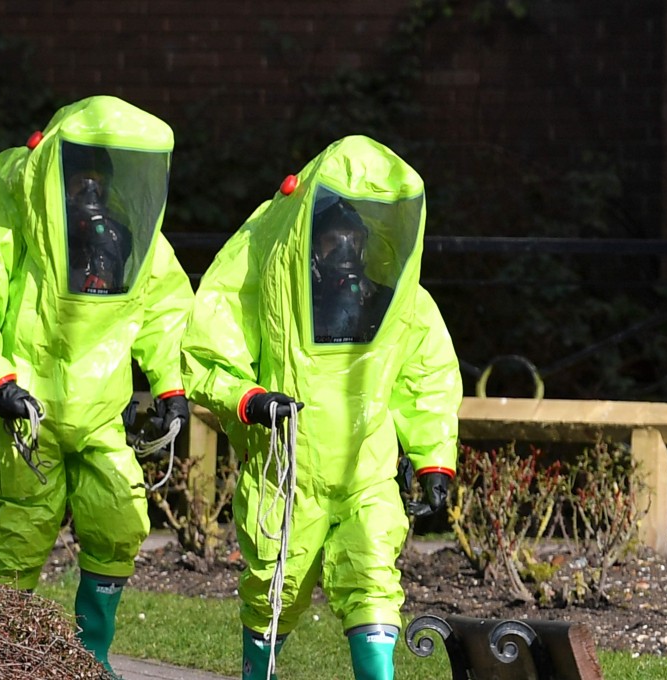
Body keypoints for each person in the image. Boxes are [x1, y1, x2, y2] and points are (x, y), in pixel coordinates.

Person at [180, 135, 462, 680]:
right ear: (308, 239)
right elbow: (209, 352)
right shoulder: (266, 282)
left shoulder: (398, 302)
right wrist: (250, 400)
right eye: (333, 239)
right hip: (287, 468)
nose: (347, 252)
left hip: (368, 471)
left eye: (354, 238)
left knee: (372, 574)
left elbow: (427, 379)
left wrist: (434, 461)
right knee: (272, 586)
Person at [0, 95, 194, 676]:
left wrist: (170, 386)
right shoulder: (12, 210)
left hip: (99, 410)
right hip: (23, 411)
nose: (91, 196)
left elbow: (164, 309)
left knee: (119, 520)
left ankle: (92, 659)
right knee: (21, 540)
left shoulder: (129, 234)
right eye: (82, 182)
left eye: (101, 181)